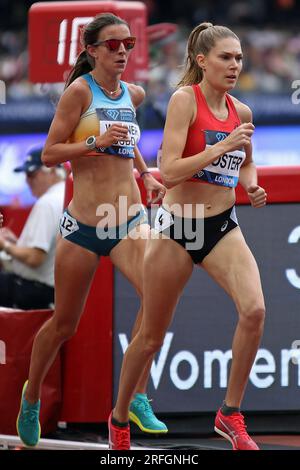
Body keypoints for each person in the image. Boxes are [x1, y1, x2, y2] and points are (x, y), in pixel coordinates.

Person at [110, 22, 267, 450]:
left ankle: (230, 413)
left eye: (238, 58)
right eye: (225, 57)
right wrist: (220, 147)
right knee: (151, 337)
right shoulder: (184, 100)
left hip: (221, 225)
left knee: (254, 311)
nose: (235, 65)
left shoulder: (243, 111)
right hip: (176, 227)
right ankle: (119, 419)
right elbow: (171, 171)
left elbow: (247, 160)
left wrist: (250, 183)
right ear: (201, 61)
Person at [16, 13, 167, 448]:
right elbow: (48, 154)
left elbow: (128, 138)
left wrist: (146, 173)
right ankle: (31, 397)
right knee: (64, 324)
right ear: (92, 51)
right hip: (82, 225)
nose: (123, 52)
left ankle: (135, 395)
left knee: (156, 298)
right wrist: (92, 144)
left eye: (128, 45)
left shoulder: (132, 93)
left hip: (128, 217)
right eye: (114, 45)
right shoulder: (79, 93)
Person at [0, 147, 65, 309]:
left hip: (35, 291)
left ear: (51, 171)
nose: (27, 181)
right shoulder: (66, 196)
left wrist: (5, 246)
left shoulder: (48, 203)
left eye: (32, 175)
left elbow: (35, 258)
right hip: (53, 290)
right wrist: (16, 243)